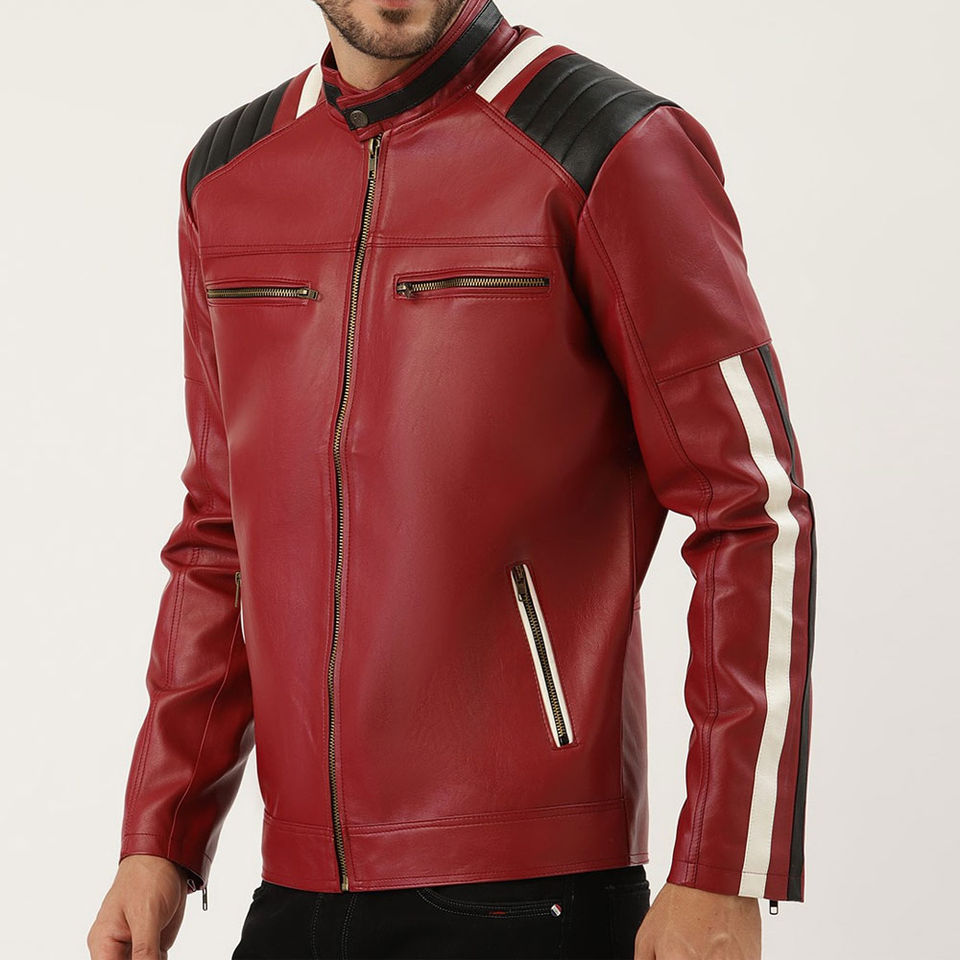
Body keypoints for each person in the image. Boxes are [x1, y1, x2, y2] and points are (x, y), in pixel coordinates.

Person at [87, 1, 817, 958]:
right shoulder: (227, 174)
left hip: (532, 893)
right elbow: (222, 531)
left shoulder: (607, 144)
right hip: (297, 893)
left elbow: (752, 508)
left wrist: (725, 866)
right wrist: (160, 834)